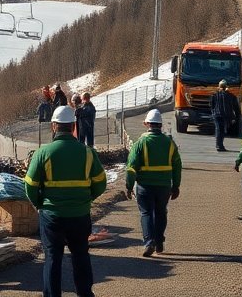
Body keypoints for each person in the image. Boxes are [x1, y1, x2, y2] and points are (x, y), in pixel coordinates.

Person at [25, 105, 107, 297]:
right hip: (79, 215)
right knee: (80, 255)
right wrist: (86, 199)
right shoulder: (87, 153)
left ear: (53, 126)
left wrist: (40, 204)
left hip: (52, 216)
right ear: (73, 126)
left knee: (52, 257)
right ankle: (85, 293)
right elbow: (101, 183)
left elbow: (30, 185)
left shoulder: (43, 153)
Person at [125, 109, 181, 257]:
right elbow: (177, 165)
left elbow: (131, 167)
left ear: (147, 124)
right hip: (164, 187)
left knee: (146, 213)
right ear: (160, 125)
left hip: (145, 186)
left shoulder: (140, 143)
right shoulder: (170, 143)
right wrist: (176, 186)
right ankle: (159, 241)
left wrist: (129, 186)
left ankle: (149, 242)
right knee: (161, 212)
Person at [209, 80, 240, 152]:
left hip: (217, 115)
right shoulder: (231, 96)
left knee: (219, 129)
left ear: (219, 86)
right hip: (226, 115)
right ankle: (219, 145)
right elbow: (236, 108)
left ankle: (219, 145)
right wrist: (237, 117)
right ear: (226, 86)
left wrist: (213, 113)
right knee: (221, 130)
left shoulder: (214, 95)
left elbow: (211, 106)